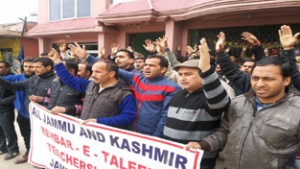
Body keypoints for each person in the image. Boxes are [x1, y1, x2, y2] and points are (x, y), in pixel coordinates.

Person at [186, 56, 300, 169]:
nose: (259, 84)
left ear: (286, 80)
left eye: (268, 79)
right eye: (255, 78)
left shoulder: (296, 110)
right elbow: (225, 132)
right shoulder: (238, 102)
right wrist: (202, 144)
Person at [163, 38, 230, 169]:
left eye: (188, 74)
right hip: (172, 159)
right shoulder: (179, 93)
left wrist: (206, 70)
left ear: (203, 76)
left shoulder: (209, 96)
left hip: (198, 161)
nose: (182, 78)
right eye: (181, 74)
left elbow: (220, 103)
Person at [47, 49, 137, 129]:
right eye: (93, 71)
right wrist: (57, 62)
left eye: (98, 72)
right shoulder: (90, 85)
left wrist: (98, 122)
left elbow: (127, 117)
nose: (93, 75)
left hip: (104, 137)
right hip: (85, 132)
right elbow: (69, 79)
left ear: (111, 74)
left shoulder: (123, 93)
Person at [118, 54, 181, 137]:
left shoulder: (171, 88)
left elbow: (166, 116)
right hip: (130, 131)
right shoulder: (137, 79)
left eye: (152, 65)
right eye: (146, 65)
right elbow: (112, 68)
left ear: (163, 69)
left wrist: (157, 136)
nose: (147, 68)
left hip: (151, 135)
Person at [2, 58, 35, 164]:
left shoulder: (39, 79)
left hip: (36, 113)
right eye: (26, 66)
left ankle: (36, 154)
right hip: (21, 112)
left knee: (36, 135)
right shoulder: (18, 77)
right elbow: (6, 80)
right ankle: (28, 152)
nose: (28, 69)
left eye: (31, 66)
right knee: (25, 134)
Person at [0, 61, 18, 160]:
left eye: (1, 67)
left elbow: (16, 95)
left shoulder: (13, 79)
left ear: (7, 68)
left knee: (8, 130)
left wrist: (2, 102)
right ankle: (2, 147)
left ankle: (13, 149)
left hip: (6, 109)